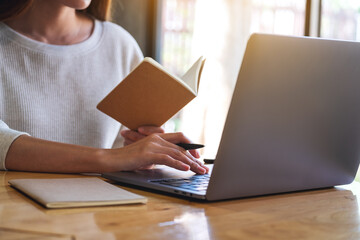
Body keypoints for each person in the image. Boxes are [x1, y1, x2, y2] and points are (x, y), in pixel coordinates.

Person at [0, 0, 208, 174]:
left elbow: (121, 153)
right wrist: (111, 158)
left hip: (102, 218)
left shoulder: (118, 44)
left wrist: (138, 154)